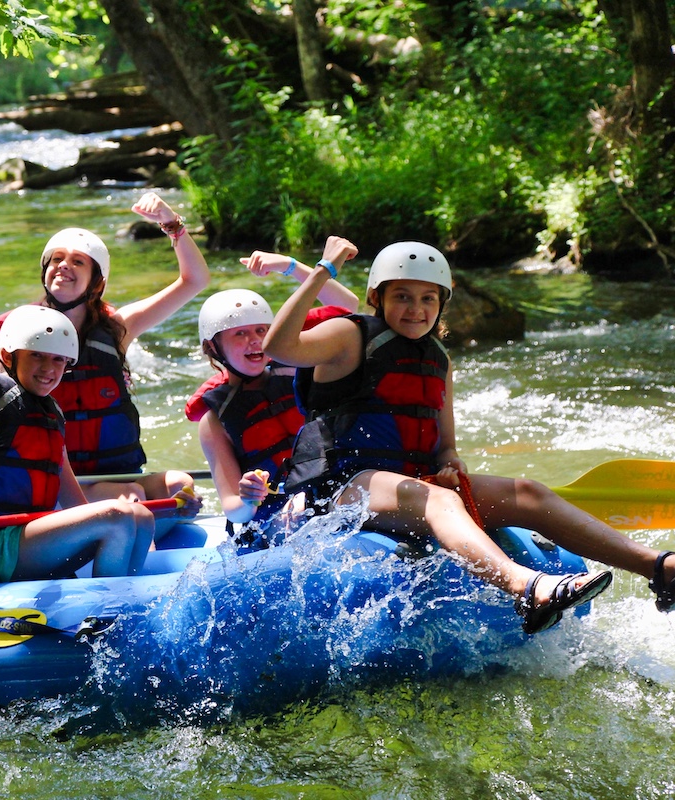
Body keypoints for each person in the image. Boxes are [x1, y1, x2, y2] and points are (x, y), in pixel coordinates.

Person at [264, 239, 675, 633]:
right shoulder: (349, 335)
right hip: (342, 487)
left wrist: (449, 463)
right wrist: (325, 269)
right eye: (402, 296)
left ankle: (658, 567)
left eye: (428, 298)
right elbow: (278, 347)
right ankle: (526, 587)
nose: (415, 309)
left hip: (409, 487)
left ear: (441, 303)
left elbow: (445, 447)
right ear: (378, 298)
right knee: (438, 499)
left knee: (528, 492)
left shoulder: (439, 359)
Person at [0, 191, 209, 526]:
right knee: (131, 495)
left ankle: (140, 526)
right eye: (57, 259)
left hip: (118, 473)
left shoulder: (118, 330)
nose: (64, 265)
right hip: (56, 482)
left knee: (180, 485)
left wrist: (172, 224)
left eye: (78, 261)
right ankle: (135, 551)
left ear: (97, 281)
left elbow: (195, 281)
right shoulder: (20, 330)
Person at [0, 298, 156, 582]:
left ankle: (125, 604)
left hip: (28, 540)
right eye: (38, 355)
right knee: (117, 515)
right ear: (10, 357)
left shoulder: (51, 416)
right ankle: (105, 616)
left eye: (59, 359)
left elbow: (75, 505)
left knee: (141, 517)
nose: (49, 368)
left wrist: (127, 513)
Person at [189, 244, 359, 552]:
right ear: (213, 348)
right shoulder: (214, 420)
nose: (254, 340)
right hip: (275, 516)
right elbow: (233, 508)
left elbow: (348, 307)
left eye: (260, 330)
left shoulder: (298, 365)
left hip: (327, 489)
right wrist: (247, 497)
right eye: (239, 334)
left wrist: (289, 265)